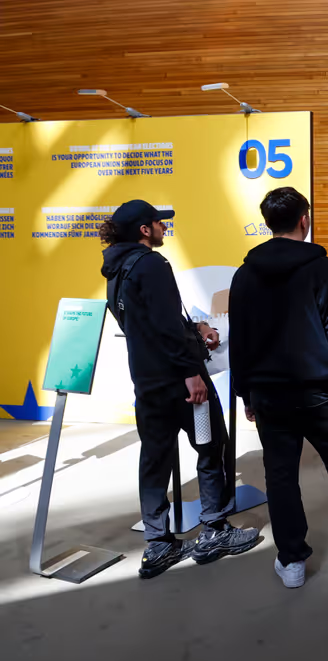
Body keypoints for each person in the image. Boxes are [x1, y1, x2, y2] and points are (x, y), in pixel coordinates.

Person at [229, 187, 328, 589]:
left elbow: (240, 339)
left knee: (280, 474)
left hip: (268, 392)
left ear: (270, 223)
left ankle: (292, 561)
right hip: (316, 389)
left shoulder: (245, 274)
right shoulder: (323, 269)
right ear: (305, 219)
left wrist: (246, 393)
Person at [99, 200, 260, 579]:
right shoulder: (153, 264)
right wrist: (192, 372)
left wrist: (196, 330)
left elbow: (152, 322)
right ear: (144, 230)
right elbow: (168, 326)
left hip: (148, 382)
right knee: (210, 446)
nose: (163, 228)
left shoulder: (116, 270)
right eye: (158, 223)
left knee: (154, 459)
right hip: (181, 382)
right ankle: (215, 530)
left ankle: (158, 545)